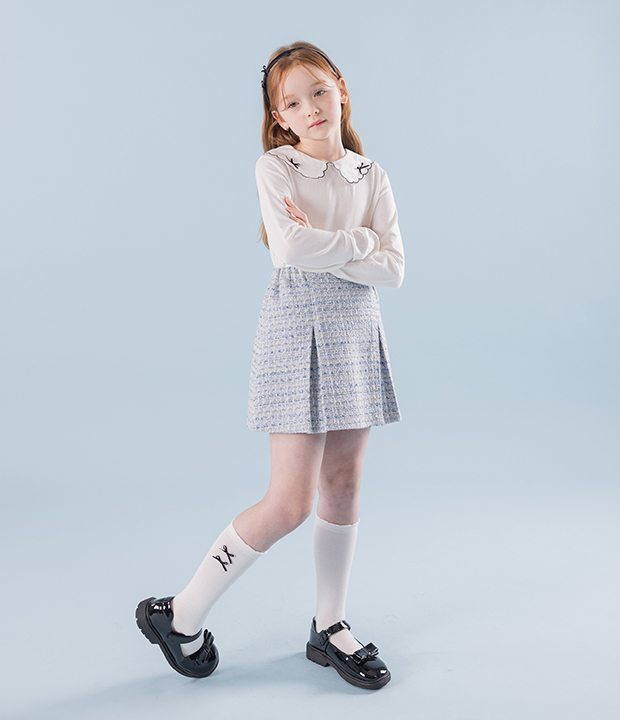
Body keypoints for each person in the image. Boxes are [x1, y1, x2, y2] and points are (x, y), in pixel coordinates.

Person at [136, 41, 404, 691]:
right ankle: (180, 613)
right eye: (293, 102)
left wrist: (330, 244)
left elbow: (393, 268)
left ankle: (330, 626)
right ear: (280, 118)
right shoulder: (275, 168)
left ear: (341, 88)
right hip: (295, 330)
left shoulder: (370, 175)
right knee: (289, 501)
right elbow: (289, 251)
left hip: (354, 331)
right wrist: (359, 242)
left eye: (319, 91)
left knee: (344, 483)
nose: (311, 108)